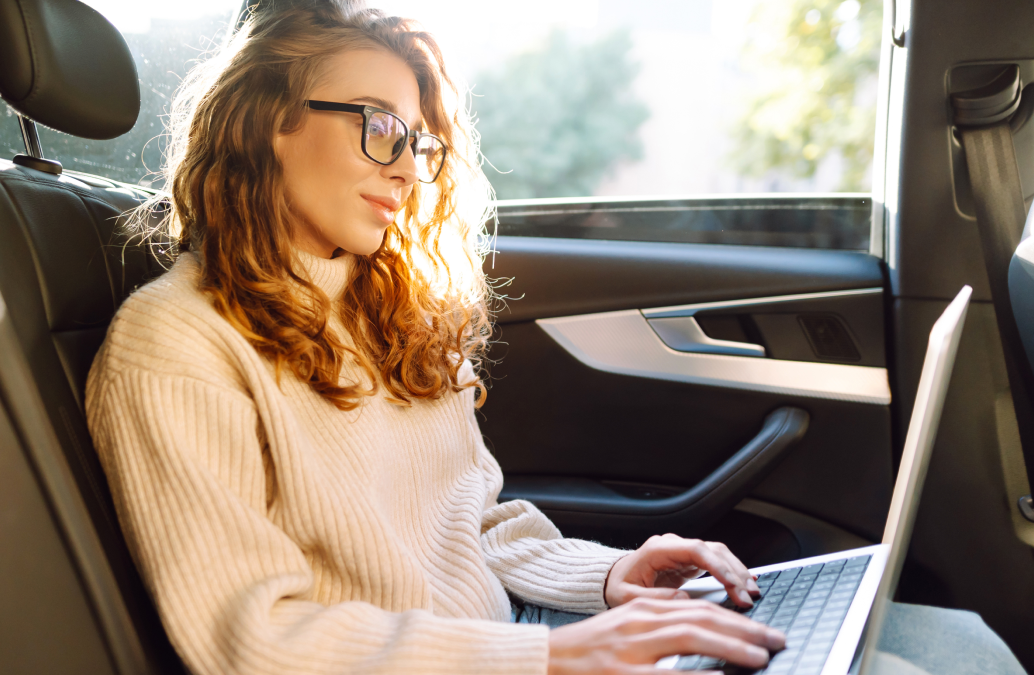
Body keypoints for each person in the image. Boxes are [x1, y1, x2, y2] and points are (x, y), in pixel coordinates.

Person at [84, 2, 1026, 674]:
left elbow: (475, 525)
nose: (408, 169)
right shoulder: (175, 345)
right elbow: (254, 639)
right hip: (498, 658)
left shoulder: (378, 308)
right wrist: (552, 656)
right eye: (379, 129)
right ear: (265, 125)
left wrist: (611, 578)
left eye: (419, 142)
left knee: (962, 645)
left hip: (514, 639)